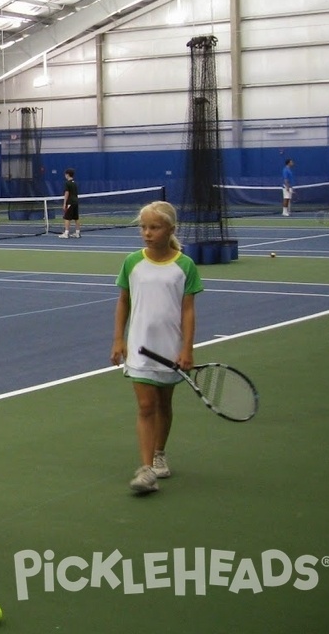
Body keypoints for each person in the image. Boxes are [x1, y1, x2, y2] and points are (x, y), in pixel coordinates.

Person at [110, 200, 202, 496]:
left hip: (170, 348)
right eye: (144, 227)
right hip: (139, 347)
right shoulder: (132, 262)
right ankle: (147, 468)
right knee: (146, 406)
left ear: (170, 230)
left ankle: (160, 452)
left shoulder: (184, 265)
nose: (147, 233)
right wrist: (118, 339)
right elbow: (123, 301)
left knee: (163, 404)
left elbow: (188, 311)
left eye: (154, 227)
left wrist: (187, 349)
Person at [58, 168, 80, 238]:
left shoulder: (67, 183)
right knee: (76, 218)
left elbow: (66, 193)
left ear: (67, 175)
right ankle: (77, 233)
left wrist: (64, 204)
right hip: (76, 202)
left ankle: (66, 233)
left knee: (67, 218)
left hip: (70, 203)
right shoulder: (75, 183)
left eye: (65, 174)